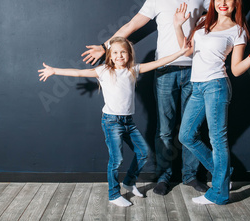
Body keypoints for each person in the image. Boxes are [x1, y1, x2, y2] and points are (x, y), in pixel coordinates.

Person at [81, 0, 242, 195]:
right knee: (165, 129)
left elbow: (229, 2)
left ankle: (190, 177)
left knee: (192, 131)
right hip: (165, 69)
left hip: (196, 71)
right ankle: (165, 177)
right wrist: (105, 46)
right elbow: (132, 24)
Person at [39, 36, 192, 207]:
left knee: (143, 153)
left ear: (129, 54)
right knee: (117, 159)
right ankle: (113, 194)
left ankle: (129, 182)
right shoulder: (104, 70)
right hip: (111, 122)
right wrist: (54, 71)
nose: (120, 56)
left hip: (128, 122)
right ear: (110, 56)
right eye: (116, 53)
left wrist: (181, 52)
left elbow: (159, 62)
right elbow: (79, 72)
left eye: (123, 53)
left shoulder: (133, 69)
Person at [173, 0, 250, 205]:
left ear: (235, 2)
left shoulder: (237, 30)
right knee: (186, 136)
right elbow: (187, 51)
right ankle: (223, 173)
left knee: (218, 140)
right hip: (197, 86)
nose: (222, 3)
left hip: (216, 86)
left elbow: (236, 70)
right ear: (213, 2)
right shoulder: (202, 23)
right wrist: (178, 26)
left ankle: (218, 193)